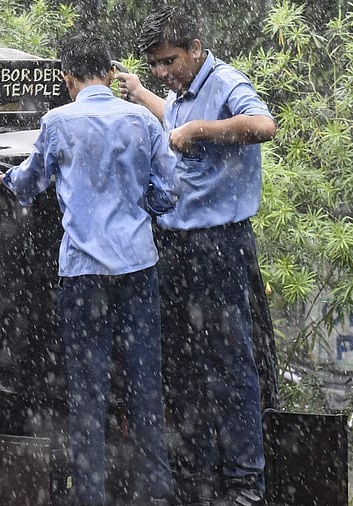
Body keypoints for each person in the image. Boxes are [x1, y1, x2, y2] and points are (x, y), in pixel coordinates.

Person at [0, 34, 179, 506]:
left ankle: (90, 494)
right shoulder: (141, 118)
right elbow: (171, 187)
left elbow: (30, 181)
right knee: (144, 385)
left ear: (67, 79)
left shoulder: (57, 122)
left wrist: (4, 180)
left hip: (82, 274)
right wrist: (145, 209)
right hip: (139, 267)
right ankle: (155, 494)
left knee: (88, 389)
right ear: (111, 73)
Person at [115, 6, 278, 506]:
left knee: (229, 365)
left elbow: (263, 126)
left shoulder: (226, 82)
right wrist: (143, 95)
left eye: (169, 61)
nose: (163, 72)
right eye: (156, 65)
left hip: (220, 245)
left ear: (195, 49)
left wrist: (203, 130)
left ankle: (244, 484)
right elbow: (174, 119)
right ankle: (197, 478)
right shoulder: (178, 94)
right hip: (176, 245)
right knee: (183, 366)